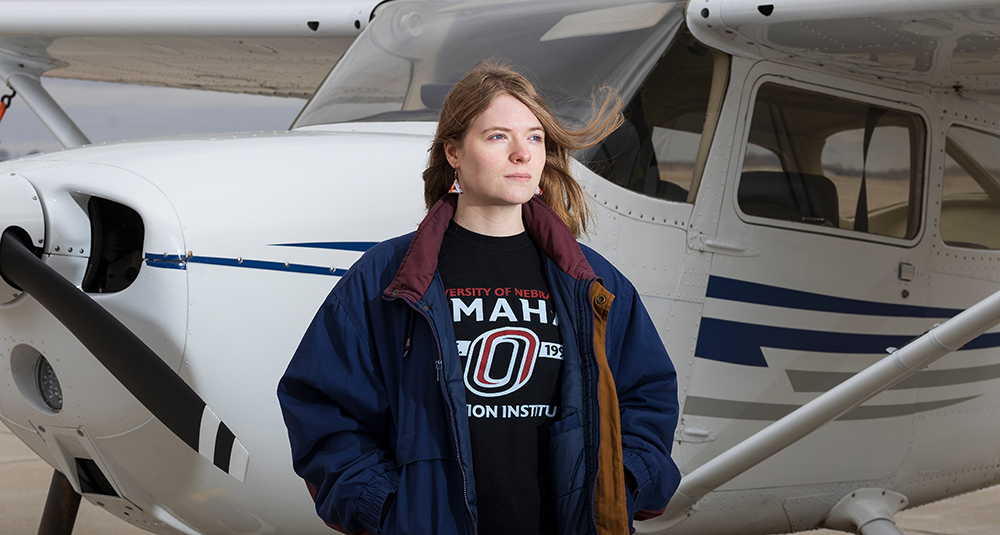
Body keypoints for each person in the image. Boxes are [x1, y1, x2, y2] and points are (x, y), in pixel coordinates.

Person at [278, 60, 681, 535]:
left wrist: (618, 488)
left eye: (534, 137)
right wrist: (388, 511)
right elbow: (322, 406)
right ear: (453, 151)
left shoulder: (590, 281)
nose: (522, 154)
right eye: (497, 137)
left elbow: (647, 396)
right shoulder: (387, 277)